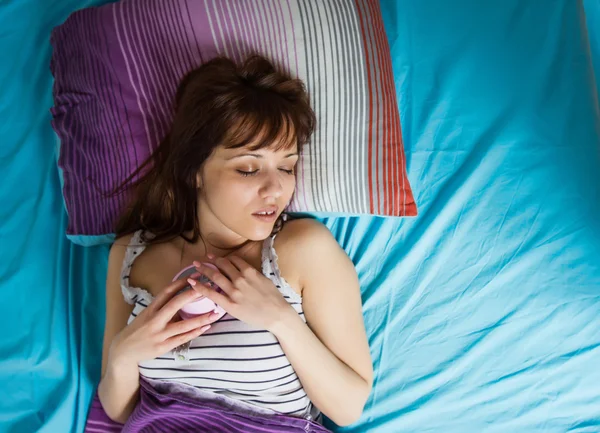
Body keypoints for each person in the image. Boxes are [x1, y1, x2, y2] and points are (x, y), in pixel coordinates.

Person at [97, 54, 373, 428]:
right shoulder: (132, 256)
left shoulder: (303, 250)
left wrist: (280, 318)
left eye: (287, 167)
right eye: (248, 168)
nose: (276, 189)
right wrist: (123, 355)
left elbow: (348, 408)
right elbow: (119, 410)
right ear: (194, 170)